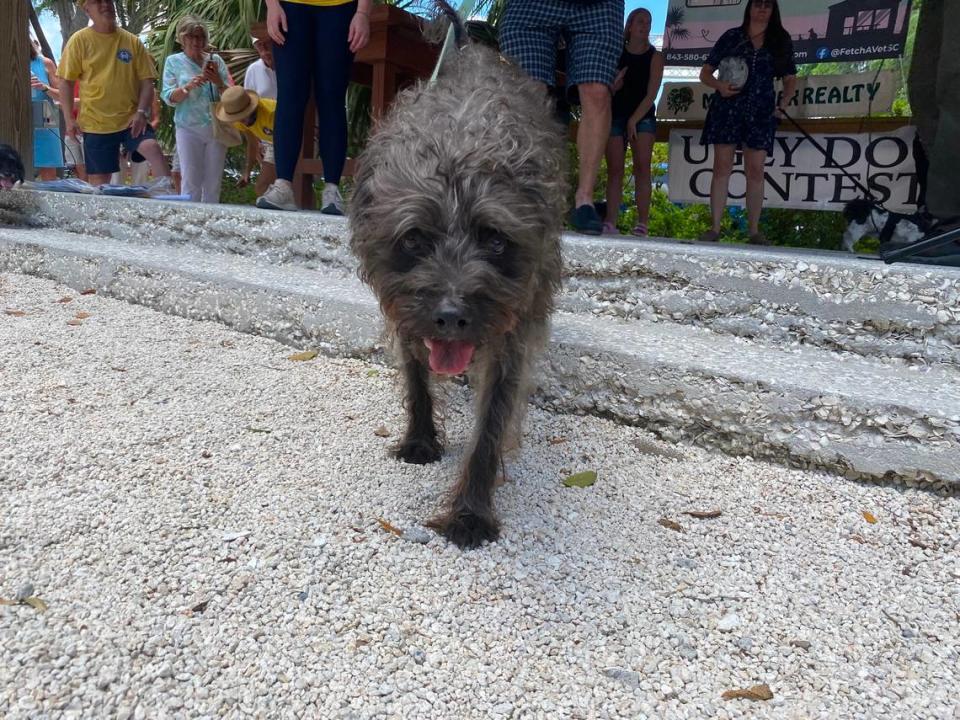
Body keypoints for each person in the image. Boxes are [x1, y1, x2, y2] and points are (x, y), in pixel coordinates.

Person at [499, 0, 624, 235]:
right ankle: (525, 196)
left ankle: (584, 199)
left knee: (597, 91)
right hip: (530, 7)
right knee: (526, 93)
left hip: (599, 7)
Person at [697, 0, 796, 245]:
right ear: (749, 8)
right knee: (721, 168)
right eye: (757, 4)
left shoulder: (780, 39)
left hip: (761, 112)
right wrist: (720, 86)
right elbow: (705, 73)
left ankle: (753, 231)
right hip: (727, 109)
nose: (762, 9)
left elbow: (790, 79)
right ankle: (715, 228)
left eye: (767, 5)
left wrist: (782, 105)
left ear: (773, 10)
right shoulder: (732, 37)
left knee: (755, 170)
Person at [258, 0, 371, 213]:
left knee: (332, 96)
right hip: (290, 6)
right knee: (290, 94)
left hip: (341, 7)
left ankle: (332, 190)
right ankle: (283, 186)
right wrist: (272, 6)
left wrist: (363, 13)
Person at [58, 0, 170, 188]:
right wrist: (69, 119)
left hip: (131, 119)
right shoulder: (79, 40)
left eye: (108, 0)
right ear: (87, 9)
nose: (105, 5)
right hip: (95, 123)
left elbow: (147, 81)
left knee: (153, 149)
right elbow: (65, 82)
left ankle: (171, 204)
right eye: (98, 1)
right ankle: (99, 216)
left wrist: (142, 112)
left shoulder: (132, 41)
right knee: (100, 181)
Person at [603, 8, 663, 237]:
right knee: (615, 169)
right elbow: (607, 87)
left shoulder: (655, 57)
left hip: (643, 115)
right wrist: (614, 86)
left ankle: (642, 223)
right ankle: (610, 221)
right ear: (629, 25)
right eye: (640, 21)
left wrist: (634, 120)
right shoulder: (616, 53)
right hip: (616, 113)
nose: (645, 25)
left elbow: (652, 94)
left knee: (642, 168)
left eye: (648, 21)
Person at [160, 15, 232, 203]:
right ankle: (190, 224)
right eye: (191, 37)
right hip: (188, 128)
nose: (196, 41)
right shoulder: (173, 61)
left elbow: (232, 96)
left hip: (216, 127)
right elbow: (168, 96)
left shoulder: (215, 60)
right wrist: (188, 87)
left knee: (213, 182)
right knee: (190, 180)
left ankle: (211, 224)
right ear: (182, 38)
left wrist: (217, 80)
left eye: (200, 37)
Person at [241, 35, 277, 196]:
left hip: (299, 129)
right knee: (264, 187)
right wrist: (257, 143)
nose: (265, 51)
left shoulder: (291, 64)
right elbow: (247, 108)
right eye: (259, 46)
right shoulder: (253, 70)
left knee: (297, 183)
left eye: (266, 45)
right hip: (267, 135)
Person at [29, 38, 64, 181]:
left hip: (44, 110)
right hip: (15, 113)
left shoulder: (45, 63)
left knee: (49, 165)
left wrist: (44, 87)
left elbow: (62, 95)